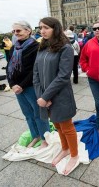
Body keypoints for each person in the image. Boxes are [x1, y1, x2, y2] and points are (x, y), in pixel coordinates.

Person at [34, 17, 79, 175]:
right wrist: (41, 96)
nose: (42, 31)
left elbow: (63, 76)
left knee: (66, 126)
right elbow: (36, 73)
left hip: (60, 95)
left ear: (55, 28)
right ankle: (65, 148)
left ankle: (74, 155)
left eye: (46, 27)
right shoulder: (42, 47)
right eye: (40, 27)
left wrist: (45, 97)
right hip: (45, 97)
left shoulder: (65, 48)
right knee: (57, 125)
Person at [7, 21, 50, 148]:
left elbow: (35, 70)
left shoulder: (36, 47)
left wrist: (21, 85)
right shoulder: (14, 47)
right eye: (14, 31)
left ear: (28, 31)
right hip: (17, 87)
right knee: (28, 114)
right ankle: (35, 135)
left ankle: (44, 138)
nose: (16, 33)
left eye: (18, 30)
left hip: (30, 86)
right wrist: (12, 84)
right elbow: (9, 67)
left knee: (38, 113)